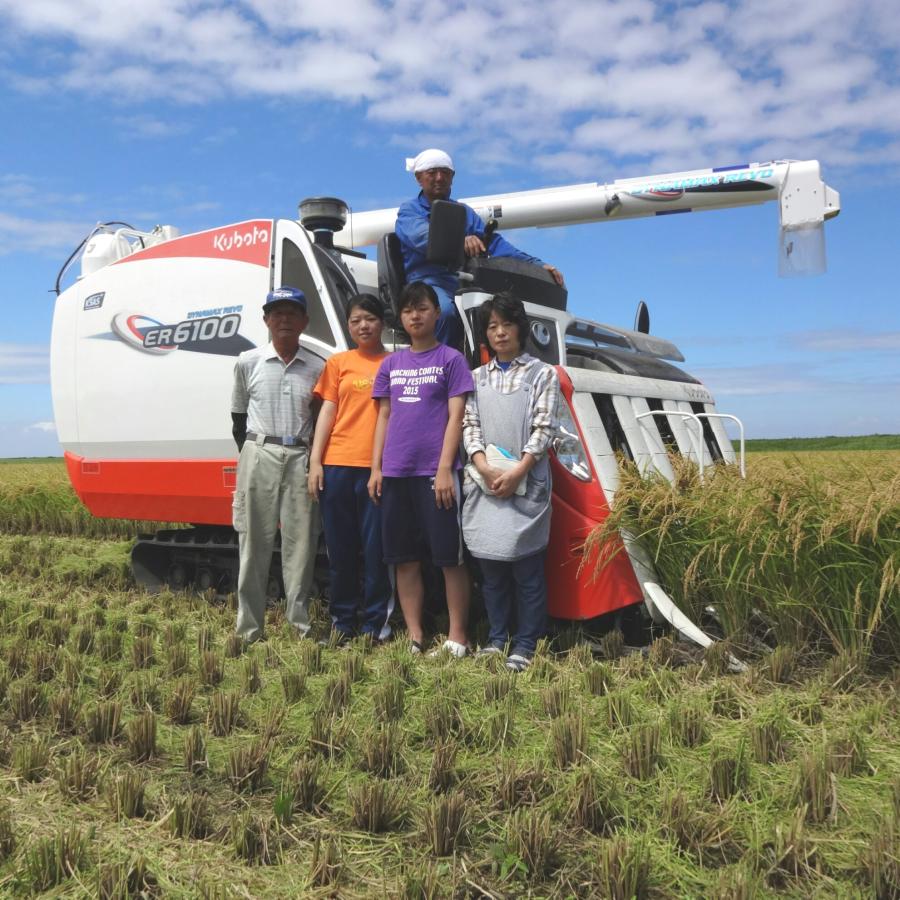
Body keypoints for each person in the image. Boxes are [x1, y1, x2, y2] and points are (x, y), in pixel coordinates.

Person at [368, 281, 474, 656]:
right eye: (409, 309)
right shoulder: (391, 364)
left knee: (449, 557)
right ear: (400, 316)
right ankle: (415, 635)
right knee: (404, 558)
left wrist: (445, 468)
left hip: (436, 473)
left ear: (436, 313)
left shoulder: (451, 360)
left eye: (423, 308)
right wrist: (375, 467)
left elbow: (456, 416)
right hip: (396, 474)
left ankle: (457, 636)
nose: (415, 315)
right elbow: (383, 416)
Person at [461, 293, 559, 672]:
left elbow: (544, 427)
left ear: (521, 328)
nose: (500, 333)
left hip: (526, 481)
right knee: (490, 568)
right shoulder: (476, 378)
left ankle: (525, 643)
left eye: (506, 324)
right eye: (492, 326)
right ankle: (497, 637)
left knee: (527, 569)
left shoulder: (542, 373)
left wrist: (519, 469)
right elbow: (470, 425)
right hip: (486, 483)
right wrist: (484, 467)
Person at [395, 148, 565, 347]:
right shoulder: (409, 211)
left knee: (499, 316)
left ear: (452, 177)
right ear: (418, 178)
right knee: (446, 313)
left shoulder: (465, 213)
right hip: (425, 283)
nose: (439, 178)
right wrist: (460, 241)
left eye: (445, 173)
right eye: (432, 173)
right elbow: (424, 237)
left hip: (463, 283)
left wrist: (537, 265)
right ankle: (440, 369)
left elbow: (495, 244)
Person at [230, 286, 324, 643]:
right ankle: (249, 629)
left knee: (301, 544)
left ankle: (299, 627)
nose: (284, 319)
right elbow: (238, 420)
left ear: (304, 321)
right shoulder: (247, 361)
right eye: (277, 313)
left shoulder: (319, 366)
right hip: (259, 452)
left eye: (292, 313)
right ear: (266, 320)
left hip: (301, 456)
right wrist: (254, 453)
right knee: (253, 541)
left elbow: (319, 419)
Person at [307, 294, 393, 645]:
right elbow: (327, 412)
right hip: (337, 466)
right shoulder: (338, 363)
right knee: (340, 551)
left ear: (382, 322)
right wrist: (316, 461)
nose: (363, 326)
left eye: (369, 318)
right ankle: (342, 622)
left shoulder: (395, 362)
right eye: (356, 320)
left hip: (378, 470)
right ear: (348, 325)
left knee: (376, 552)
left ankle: (375, 625)